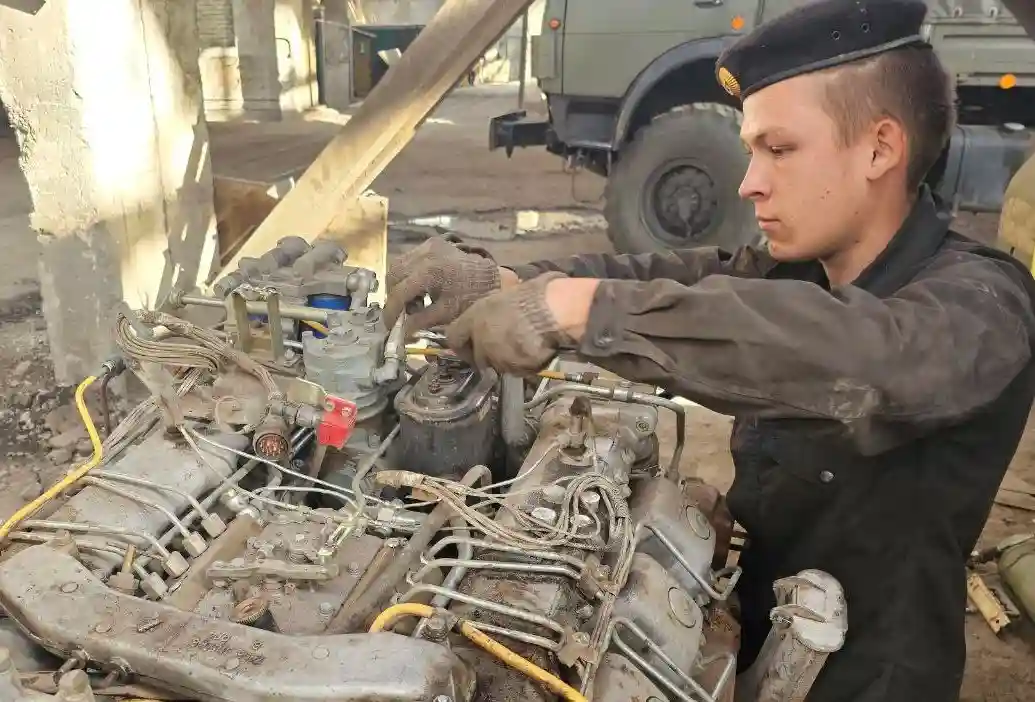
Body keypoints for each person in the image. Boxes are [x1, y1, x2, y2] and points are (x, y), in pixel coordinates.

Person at [383, 0, 1035, 699]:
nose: (749, 182)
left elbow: (866, 360)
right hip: (750, 628)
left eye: (778, 149)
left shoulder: (982, 303)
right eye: (752, 151)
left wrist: (576, 312)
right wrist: (510, 282)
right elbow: (676, 279)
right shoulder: (797, 271)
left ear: (880, 148)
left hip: (863, 679)